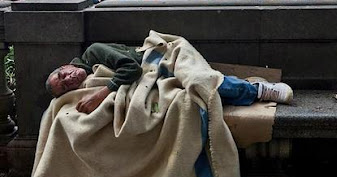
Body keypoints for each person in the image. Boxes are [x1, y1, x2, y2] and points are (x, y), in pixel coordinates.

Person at [45, 42, 293, 114]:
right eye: (64, 85)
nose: (68, 78)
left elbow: (131, 68)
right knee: (186, 100)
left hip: (163, 58)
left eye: (61, 74)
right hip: (151, 84)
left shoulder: (93, 52)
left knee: (197, 82)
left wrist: (102, 93)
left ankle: (258, 90)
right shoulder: (86, 82)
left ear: (63, 65)